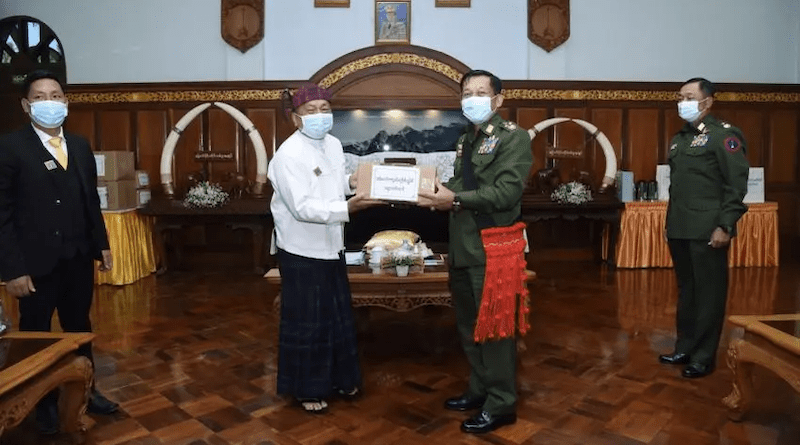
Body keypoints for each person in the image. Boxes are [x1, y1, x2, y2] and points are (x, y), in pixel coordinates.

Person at [0, 69, 119, 435]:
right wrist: (11, 269)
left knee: (79, 326)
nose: (48, 102)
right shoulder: (9, 147)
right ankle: (41, 401)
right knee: (36, 332)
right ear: (26, 105)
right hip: (34, 265)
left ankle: (86, 390)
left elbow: (90, 201)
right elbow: (1, 214)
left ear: (66, 102)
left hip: (78, 257)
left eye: (55, 94)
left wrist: (102, 246)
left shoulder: (80, 145)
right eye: (39, 96)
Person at [419, 69, 533, 434]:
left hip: (493, 248)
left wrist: (453, 199)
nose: (472, 98)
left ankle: (501, 404)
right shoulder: (466, 138)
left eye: (481, 92)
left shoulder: (513, 139)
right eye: (467, 92)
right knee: (470, 327)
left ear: (498, 99)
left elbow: (506, 193)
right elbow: (459, 183)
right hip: (464, 244)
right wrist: (433, 191)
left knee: (497, 329)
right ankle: (480, 388)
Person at [268, 84, 380, 413]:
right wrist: (351, 207)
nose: (320, 116)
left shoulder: (331, 144)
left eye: (325, 109)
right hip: (302, 251)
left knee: (335, 318)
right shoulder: (287, 156)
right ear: (295, 118)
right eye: (311, 110)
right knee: (308, 323)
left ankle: (341, 379)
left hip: (333, 247)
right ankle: (307, 389)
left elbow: (333, 181)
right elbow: (303, 207)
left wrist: (351, 183)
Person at [658, 77, 750, 378]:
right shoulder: (679, 139)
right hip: (681, 226)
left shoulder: (724, 135)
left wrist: (725, 225)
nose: (681, 102)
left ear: (707, 102)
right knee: (687, 292)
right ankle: (684, 346)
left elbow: (735, 185)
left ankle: (703, 356)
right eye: (679, 97)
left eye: (688, 96)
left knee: (709, 293)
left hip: (709, 228)